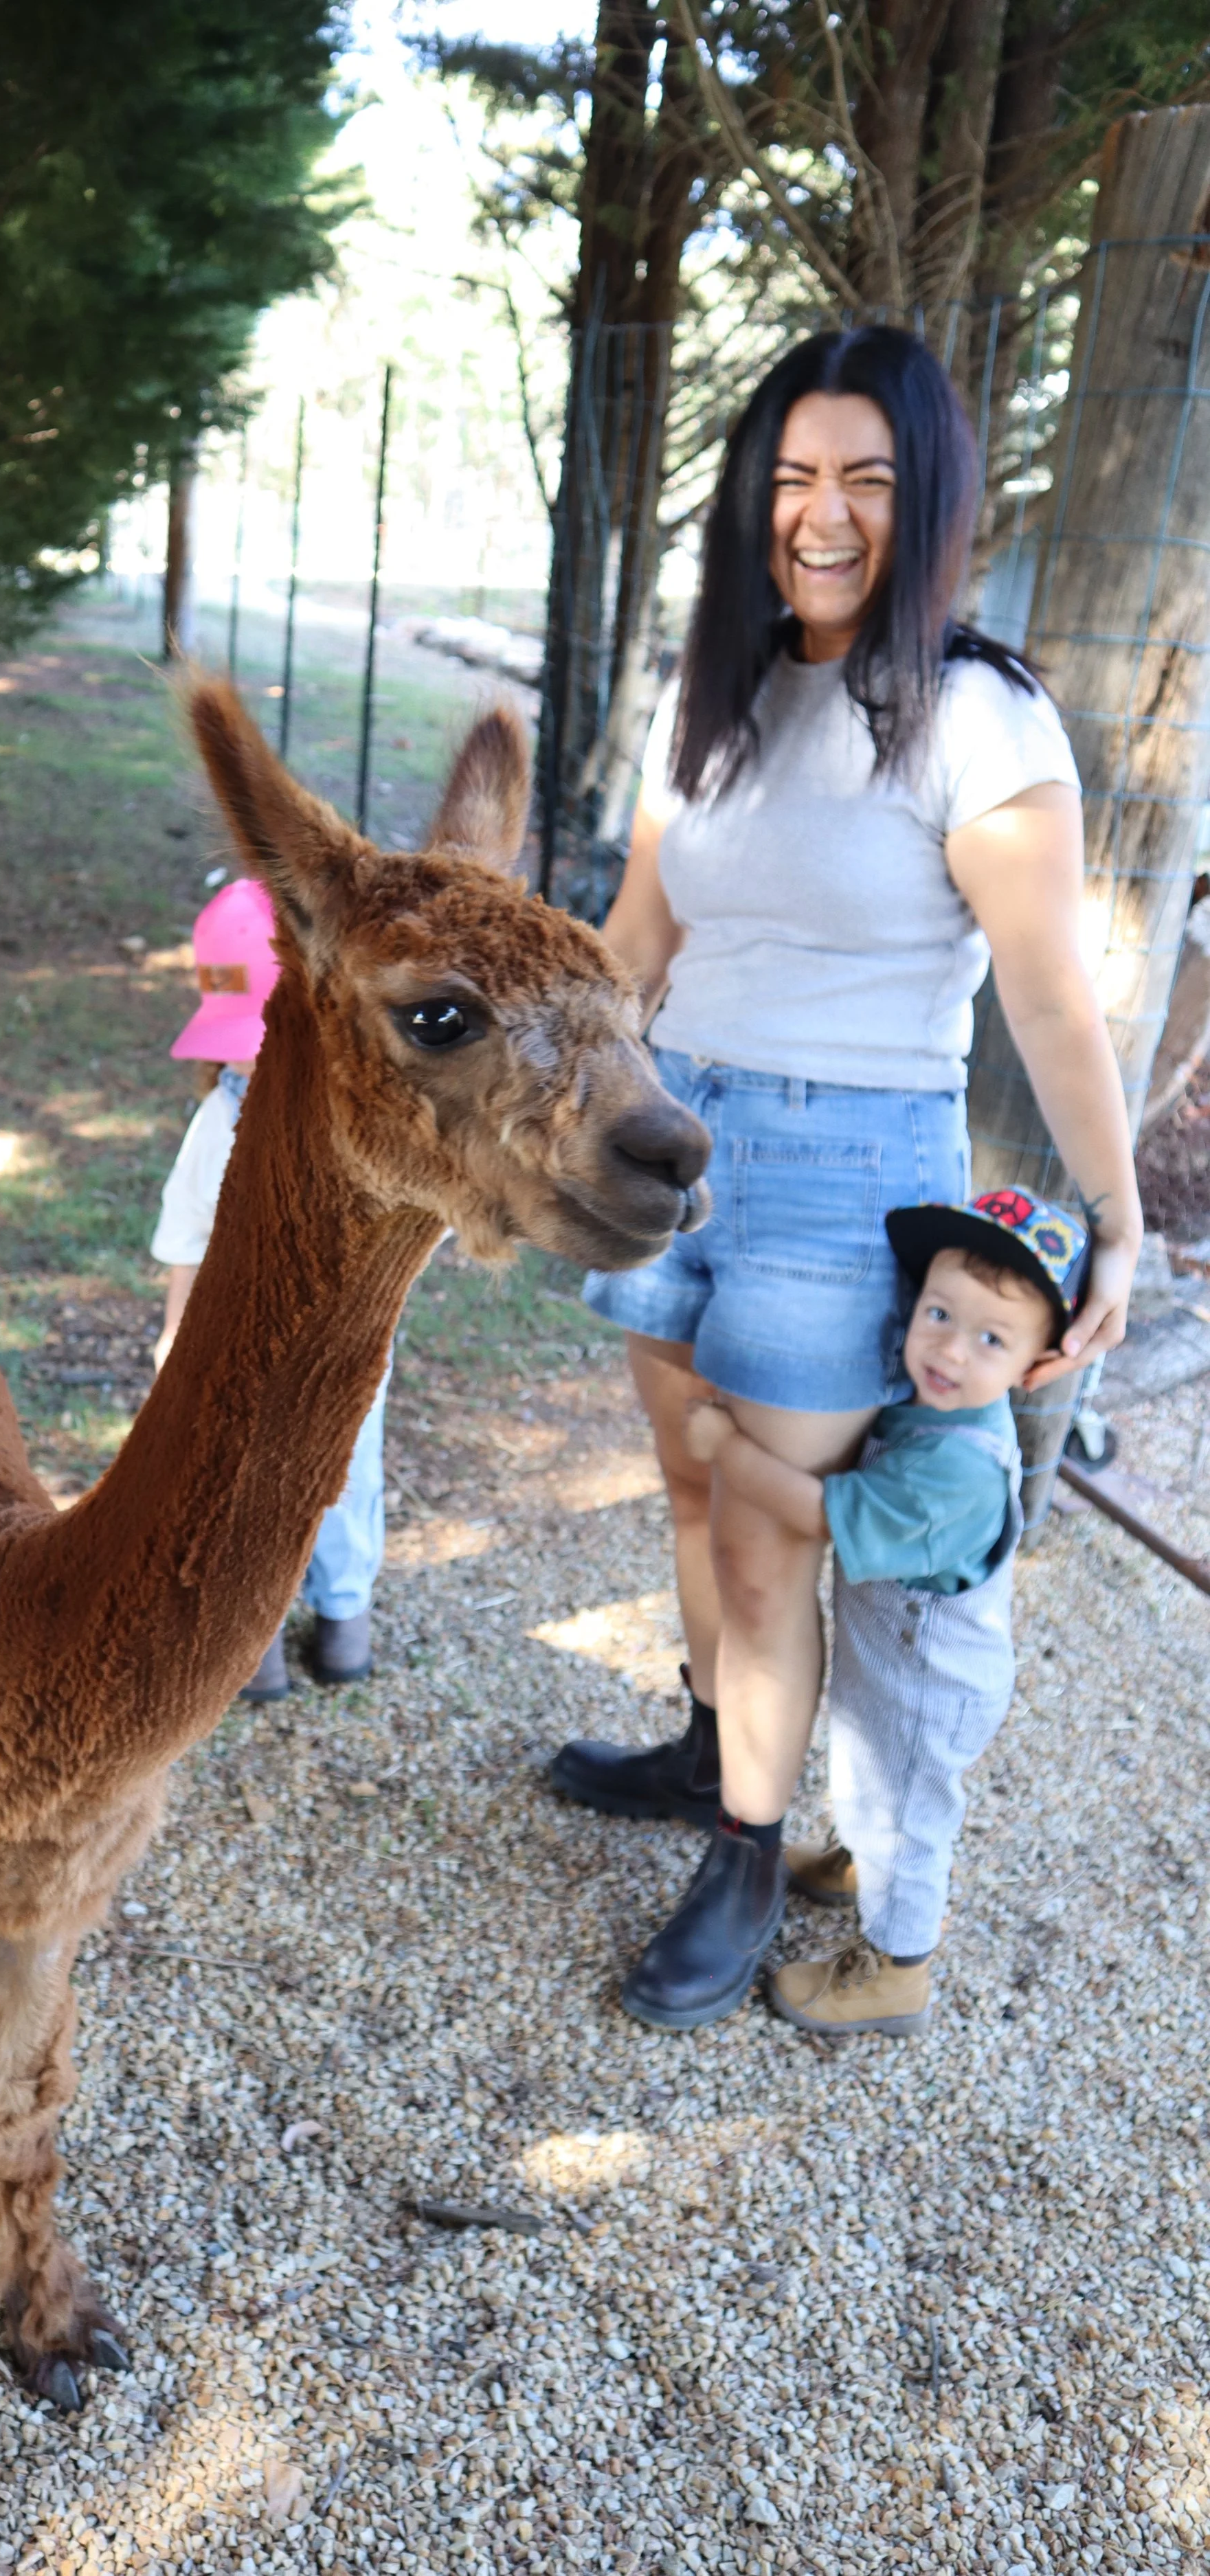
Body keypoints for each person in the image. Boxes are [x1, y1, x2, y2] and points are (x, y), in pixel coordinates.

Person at [547, 324, 1142, 2030]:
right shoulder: (719, 696)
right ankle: (706, 1746)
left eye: (865, 481)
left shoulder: (977, 713)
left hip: (848, 1162)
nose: (821, 514)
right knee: (685, 1490)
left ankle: (747, 1848)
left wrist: (1119, 1215)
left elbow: (1046, 991)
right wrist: (533, 1110)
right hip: (679, 1140)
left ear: (927, 501)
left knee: (759, 1534)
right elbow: (638, 943)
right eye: (793, 477)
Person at [660, 1190, 1086, 2037]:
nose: (949, 1349)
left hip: (932, 1680)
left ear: (1038, 1363)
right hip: (898, 1656)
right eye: (937, 1313)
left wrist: (727, 1449)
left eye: (991, 1338)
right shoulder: (943, 1403)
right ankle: (862, 1859)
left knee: (909, 1811)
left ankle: (897, 1972)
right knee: (871, 1774)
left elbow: (819, 1512)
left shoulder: (954, 1475)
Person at [149, 874, 388, 1701]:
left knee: (346, 1470)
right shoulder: (223, 1115)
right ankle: (259, 1641)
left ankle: (343, 1621)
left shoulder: (358, 1110)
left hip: (346, 1337)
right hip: (243, 1339)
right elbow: (187, 1231)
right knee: (250, 1479)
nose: (241, 1054)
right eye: (233, 1038)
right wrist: (176, 1331)